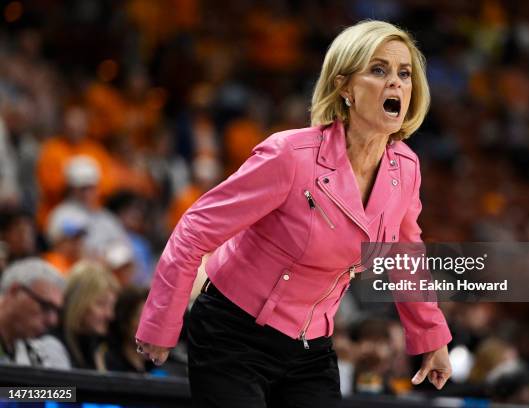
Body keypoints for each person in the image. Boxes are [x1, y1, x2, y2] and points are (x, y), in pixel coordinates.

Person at [136, 20, 453, 407]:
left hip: (311, 346)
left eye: (404, 73)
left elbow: (406, 256)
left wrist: (432, 339)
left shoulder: (406, 167)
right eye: (378, 69)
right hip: (232, 333)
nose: (396, 83)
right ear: (345, 87)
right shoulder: (290, 155)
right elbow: (194, 230)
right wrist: (162, 323)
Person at [0, 258, 68, 367]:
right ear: (14, 292)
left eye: (57, 311)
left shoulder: (40, 350)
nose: (52, 321)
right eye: (45, 306)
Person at [52, 260, 119, 370]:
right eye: (101, 304)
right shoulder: (52, 345)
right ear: (78, 302)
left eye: (111, 306)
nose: (110, 315)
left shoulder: (97, 346)